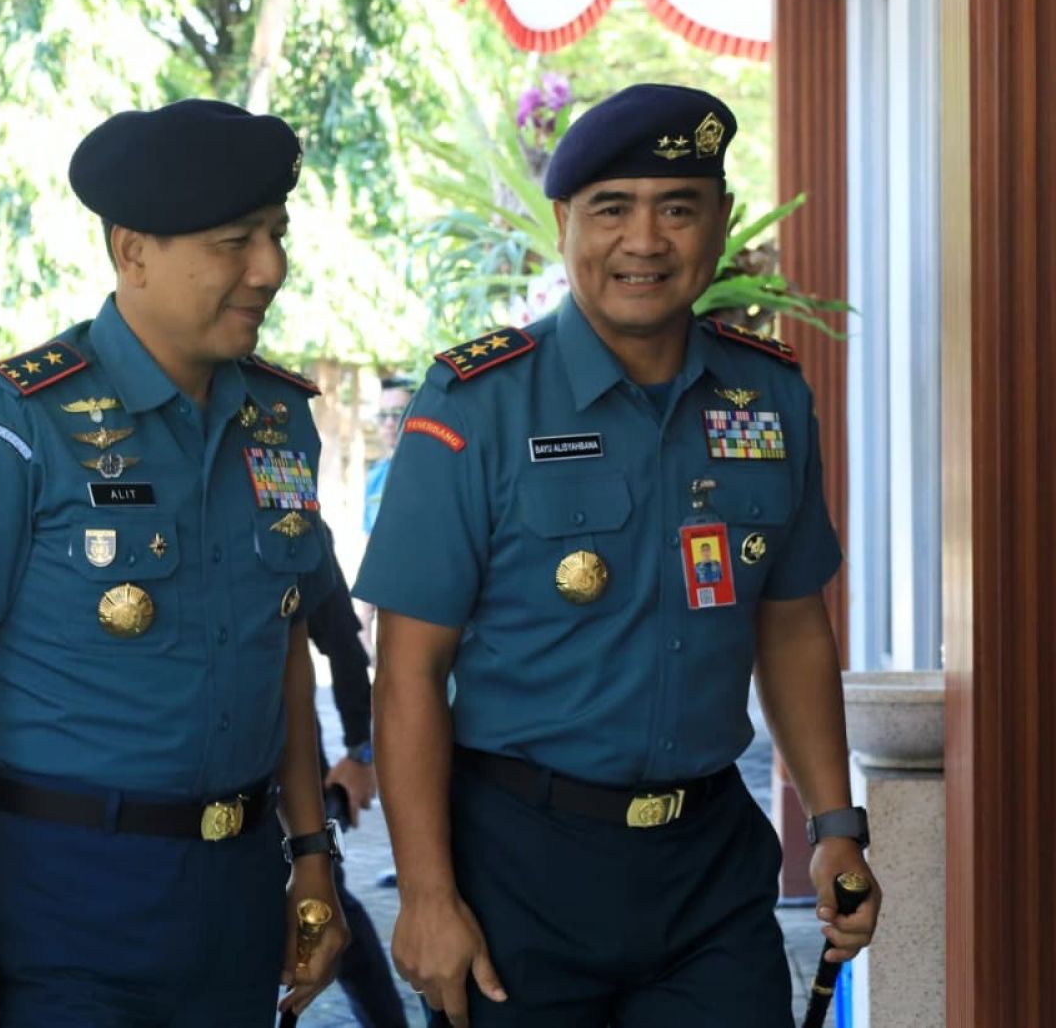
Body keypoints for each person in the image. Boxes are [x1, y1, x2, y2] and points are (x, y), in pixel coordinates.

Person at [354, 83, 881, 1028]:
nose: (645, 241)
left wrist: (837, 828)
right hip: (520, 868)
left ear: (717, 225)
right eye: (612, 209)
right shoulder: (476, 406)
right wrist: (428, 895)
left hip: (709, 867)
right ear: (564, 223)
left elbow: (793, 624)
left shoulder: (767, 401)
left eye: (677, 208)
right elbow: (409, 672)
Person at [0, 99, 348, 1028]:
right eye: (234, 242)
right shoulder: (12, 421)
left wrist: (312, 859)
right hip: (62, 894)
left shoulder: (279, 418)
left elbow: (285, 651)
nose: (270, 269)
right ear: (132, 251)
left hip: (234, 890)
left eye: (275, 234)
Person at [307, 532, 409, 1028]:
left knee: (329, 906)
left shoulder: (286, 512)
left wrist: (359, 754)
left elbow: (344, 647)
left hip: (289, 782)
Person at [356, 376, 414, 661]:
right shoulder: (375, 475)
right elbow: (372, 542)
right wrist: (365, 615)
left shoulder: (433, 472)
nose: (389, 423)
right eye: (383, 416)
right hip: (386, 602)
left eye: (398, 413)